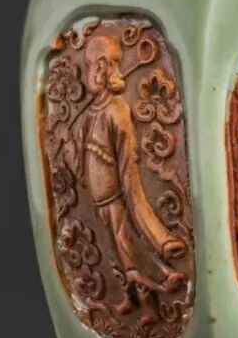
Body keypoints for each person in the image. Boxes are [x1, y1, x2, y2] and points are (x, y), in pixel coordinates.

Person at [70, 32, 186, 317]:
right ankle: (131, 298)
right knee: (115, 255)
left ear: (101, 67)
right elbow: (81, 161)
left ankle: (159, 290)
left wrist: (135, 202)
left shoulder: (117, 110)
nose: (88, 72)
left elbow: (127, 162)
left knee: (131, 251)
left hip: (116, 200)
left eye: (90, 65)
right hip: (98, 203)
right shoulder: (90, 114)